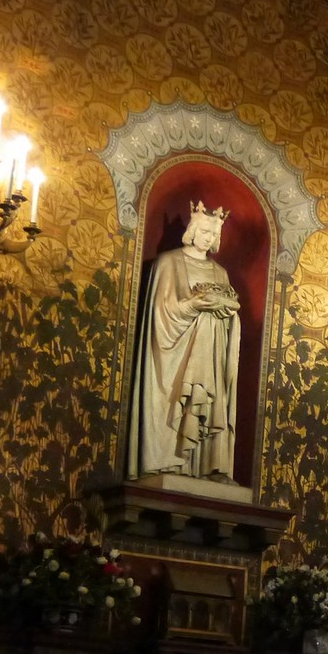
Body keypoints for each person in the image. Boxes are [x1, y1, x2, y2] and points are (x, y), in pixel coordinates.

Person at [128, 200, 243, 480]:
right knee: (176, 400)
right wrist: (195, 305)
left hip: (211, 354)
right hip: (176, 354)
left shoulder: (220, 273)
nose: (208, 238)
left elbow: (231, 309)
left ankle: (206, 466)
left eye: (213, 234)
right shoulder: (169, 262)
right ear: (192, 230)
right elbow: (162, 312)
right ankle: (169, 460)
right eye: (204, 231)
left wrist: (226, 311)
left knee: (210, 400)